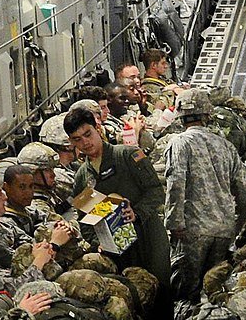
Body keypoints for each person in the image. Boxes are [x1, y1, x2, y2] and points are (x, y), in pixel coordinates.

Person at [161, 85, 246, 293]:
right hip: (223, 231)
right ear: (207, 114)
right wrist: (235, 226)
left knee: (186, 292)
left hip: (192, 232)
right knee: (213, 289)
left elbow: (176, 182)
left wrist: (174, 223)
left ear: (180, 117)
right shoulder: (226, 146)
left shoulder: (179, 143)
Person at [66, 104, 170, 283]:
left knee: (159, 292)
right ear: (72, 142)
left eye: (87, 134)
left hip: (149, 240)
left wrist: (136, 213)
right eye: (77, 139)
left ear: (98, 128)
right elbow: (85, 221)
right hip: (116, 252)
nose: (85, 143)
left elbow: (156, 191)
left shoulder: (129, 156)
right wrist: (97, 243)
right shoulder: (82, 178)